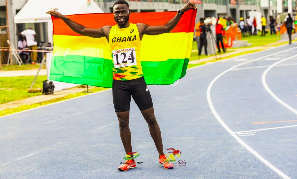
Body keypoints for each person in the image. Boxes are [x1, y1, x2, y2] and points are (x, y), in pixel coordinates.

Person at [47, 0, 196, 171]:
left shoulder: (139, 28)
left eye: (123, 11)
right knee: (122, 121)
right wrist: (62, 17)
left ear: (129, 12)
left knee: (151, 118)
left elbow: (166, 28)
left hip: (138, 81)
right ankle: (130, 158)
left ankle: (162, 156)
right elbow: (81, 30)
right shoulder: (107, 31)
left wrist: (181, 11)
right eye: (116, 12)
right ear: (113, 14)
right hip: (119, 84)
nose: (119, 15)